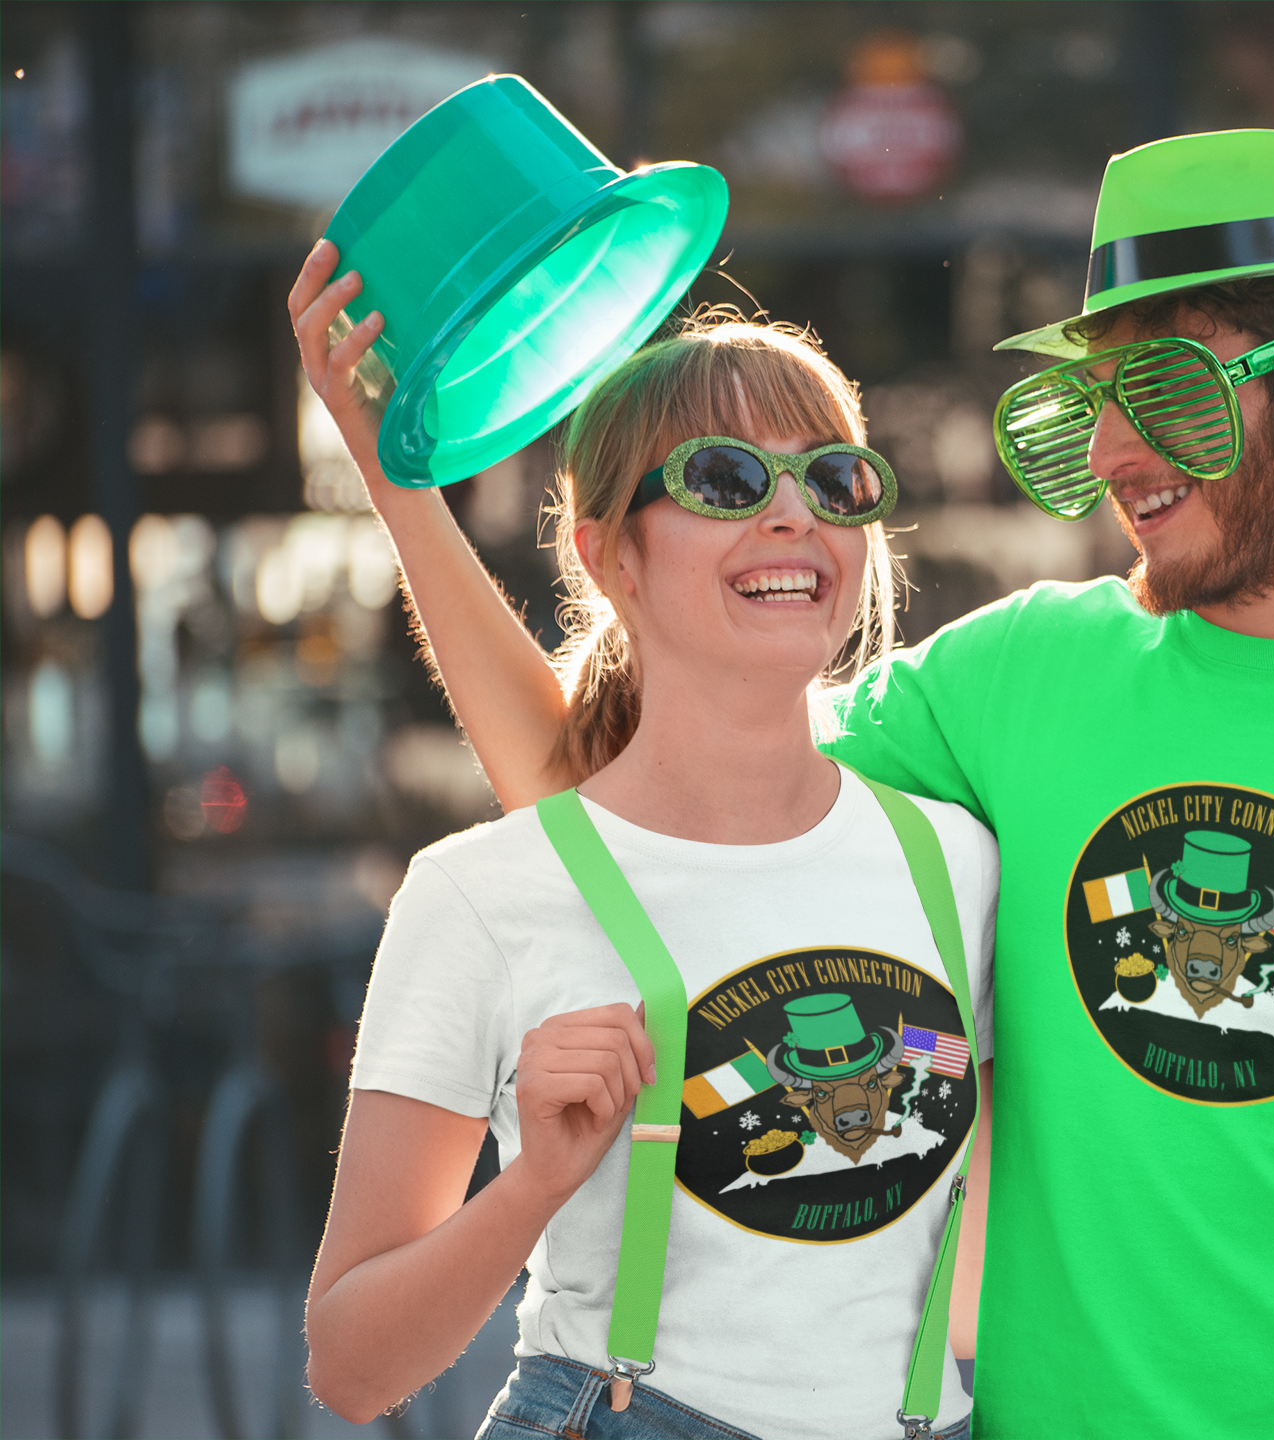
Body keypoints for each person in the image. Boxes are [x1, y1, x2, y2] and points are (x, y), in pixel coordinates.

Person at [328, 130, 1274, 1440]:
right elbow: (604, 797)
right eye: (1086, 406)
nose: (1107, 457)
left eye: (1161, 393)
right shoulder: (1018, 680)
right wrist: (407, 495)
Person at [290, 248, 997, 1440]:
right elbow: (352, 1367)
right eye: (725, 479)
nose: (793, 513)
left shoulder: (957, 864)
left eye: (835, 478)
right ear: (609, 553)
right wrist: (534, 1186)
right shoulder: (483, 896)